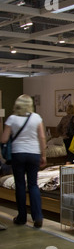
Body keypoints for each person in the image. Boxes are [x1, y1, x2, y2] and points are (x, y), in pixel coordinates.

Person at [1, 94, 47, 228]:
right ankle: (38, 216)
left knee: (20, 185)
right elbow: (42, 137)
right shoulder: (36, 118)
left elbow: (4, 139)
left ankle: (22, 217)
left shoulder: (12, 119)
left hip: (18, 154)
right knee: (33, 185)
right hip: (34, 154)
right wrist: (43, 155)